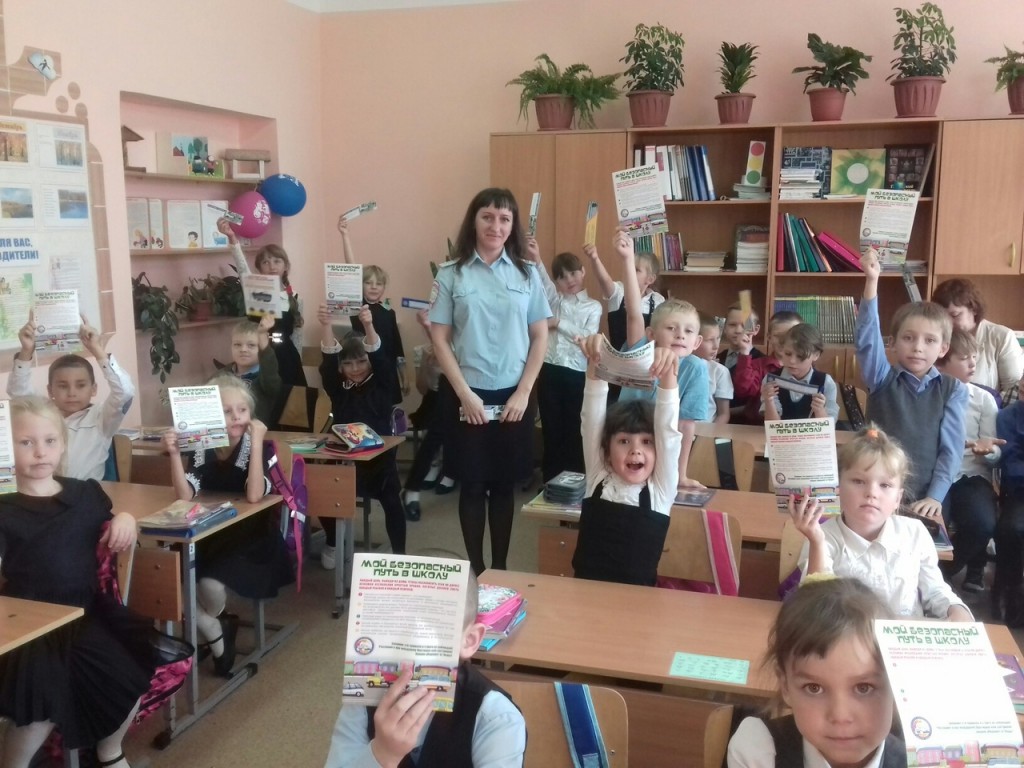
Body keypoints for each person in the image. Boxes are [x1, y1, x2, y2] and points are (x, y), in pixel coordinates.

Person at [0, 397, 156, 768]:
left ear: (62, 444)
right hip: (30, 626)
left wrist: (126, 518)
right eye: (26, 442)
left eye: (50, 441)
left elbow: (112, 520)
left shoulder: (84, 494)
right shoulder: (3, 506)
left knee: (127, 680)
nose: (40, 452)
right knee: (39, 706)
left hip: (83, 614)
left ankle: (109, 752)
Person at [428, 188, 550, 576]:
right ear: (474, 221)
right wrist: (464, 394)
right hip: (467, 394)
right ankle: (476, 569)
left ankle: (499, 568)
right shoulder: (451, 273)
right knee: (472, 483)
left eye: (504, 219)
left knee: (503, 483)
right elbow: (439, 338)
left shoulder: (527, 273)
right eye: (488, 217)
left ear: (512, 226)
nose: (496, 226)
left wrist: (524, 392)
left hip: (515, 394)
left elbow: (540, 336)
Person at [324, 565, 526, 767]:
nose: (405, 650)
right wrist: (382, 755)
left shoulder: (495, 717)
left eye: (429, 632)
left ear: (469, 640)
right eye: (391, 629)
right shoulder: (363, 701)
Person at [163, 375, 293, 677]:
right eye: (225, 411)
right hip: (211, 530)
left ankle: (211, 624)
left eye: (242, 410)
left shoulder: (260, 446)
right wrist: (174, 455)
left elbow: (254, 495)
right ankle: (214, 627)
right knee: (167, 575)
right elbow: (184, 495)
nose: (236, 417)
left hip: (251, 536)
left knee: (208, 584)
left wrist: (257, 443)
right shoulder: (202, 446)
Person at [790, 426, 971, 620]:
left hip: (902, 636)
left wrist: (955, 608)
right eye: (858, 481)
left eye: (885, 485)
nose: (872, 493)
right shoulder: (821, 537)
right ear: (838, 489)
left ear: (898, 499)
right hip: (846, 635)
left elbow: (935, 590)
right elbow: (816, 604)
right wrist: (816, 542)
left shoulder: (915, 533)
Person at [727, 576, 904, 768]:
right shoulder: (758, 751)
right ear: (785, 686)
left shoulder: (921, 761)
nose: (840, 716)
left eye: (864, 688)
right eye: (814, 688)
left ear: (897, 685)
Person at [855, 247, 967, 518]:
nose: (918, 347)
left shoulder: (952, 390)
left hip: (924, 497)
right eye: (908, 338)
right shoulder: (881, 377)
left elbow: (950, 451)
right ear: (892, 343)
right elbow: (867, 340)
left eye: (930, 340)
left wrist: (936, 496)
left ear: (943, 348)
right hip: (874, 493)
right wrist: (872, 281)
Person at [572, 333, 681, 585]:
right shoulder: (599, 475)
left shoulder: (660, 490)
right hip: (584, 594)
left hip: (637, 602)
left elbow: (667, 432)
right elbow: (592, 417)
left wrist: (667, 373)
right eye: (624, 441)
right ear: (607, 450)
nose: (635, 451)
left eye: (646, 442)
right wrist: (596, 360)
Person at [615, 230, 708, 488]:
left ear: (697, 342)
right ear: (651, 334)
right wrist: (627, 259)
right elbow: (634, 313)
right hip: (624, 442)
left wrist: (681, 474)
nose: (680, 335)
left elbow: (685, 427)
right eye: (671, 328)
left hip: (663, 448)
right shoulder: (641, 351)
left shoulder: (696, 368)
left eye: (688, 331)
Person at [319, 304, 406, 562]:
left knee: (392, 500)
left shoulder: (383, 384)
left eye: (361, 361)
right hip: (344, 461)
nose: (355, 368)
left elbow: (379, 357)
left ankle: (400, 555)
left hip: (379, 462)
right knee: (322, 491)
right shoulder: (338, 388)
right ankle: (333, 542)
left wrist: (368, 325)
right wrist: (326, 325)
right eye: (348, 364)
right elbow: (328, 363)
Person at [8, 312, 135, 481]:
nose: (72, 393)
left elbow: (125, 392)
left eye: (81, 385)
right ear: (50, 390)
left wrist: (97, 349)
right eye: (63, 386)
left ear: (93, 389)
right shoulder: (43, 414)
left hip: (84, 492)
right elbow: (18, 392)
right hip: (46, 490)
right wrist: (26, 350)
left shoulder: (102, 418)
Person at [935, 330, 1003, 593]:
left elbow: (995, 451)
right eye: (964, 358)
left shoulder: (984, 399)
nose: (973, 364)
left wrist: (988, 451)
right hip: (936, 473)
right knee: (932, 525)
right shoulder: (930, 393)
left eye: (974, 357)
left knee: (982, 523)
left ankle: (942, 575)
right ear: (942, 361)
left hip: (971, 474)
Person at [527, 243, 601, 481]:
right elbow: (543, 280)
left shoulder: (593, 306)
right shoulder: (553, 300)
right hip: (549, 371)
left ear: (583, 271)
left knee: (574, 429)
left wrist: (559, 323)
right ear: (557, 282)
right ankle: (550, 481)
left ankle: (574, 482)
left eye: (573, 273)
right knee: (551, 429)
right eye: (562, 277)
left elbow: (587, 338)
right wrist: (537, 257)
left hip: (577, 374)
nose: (569, 280)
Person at [218, 218, 307, 387]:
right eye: (266, 262)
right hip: (258, 354)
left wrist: (298, 362)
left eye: (277, 261)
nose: (272, 266)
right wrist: (232, 238)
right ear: (259, 268)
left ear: (285, 267)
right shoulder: (254, 290)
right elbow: (242, 268)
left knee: (292, 399)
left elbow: (297, 335)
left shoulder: (295, 297)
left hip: (287, 358)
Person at [339, 217, 407, 406]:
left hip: (387, 371)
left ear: (384, 287)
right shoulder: (358, 306)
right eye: (368, 282)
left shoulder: (389, 312)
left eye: (379, 283)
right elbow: (351, 268)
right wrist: (345, 235)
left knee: (387, 411)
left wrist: (404, 375)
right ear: (360, 285)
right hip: (364, 368)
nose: (374, 287)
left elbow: (397, 348)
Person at [402, 309, 455, 521]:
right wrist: (428, 328)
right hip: (446, 384)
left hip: (480, 374)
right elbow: (423, 388)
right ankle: (412, 488)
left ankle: (458, 474)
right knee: (437, 432)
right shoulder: (428, 348)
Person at [932, 277, 1023, 393]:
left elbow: (1013, 390)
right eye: (943, 316)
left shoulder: (1002, 336)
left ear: (974, 309)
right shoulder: (936, 336)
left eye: (955, 315)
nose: (948, 322)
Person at [584, 242, 664, 353]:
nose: (629, 271)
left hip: (646, 360)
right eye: (629, 267)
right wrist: (595, 258)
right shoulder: (619, 291)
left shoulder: (658, 300)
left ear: (650, 279)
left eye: (636, 270)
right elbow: (604, 280)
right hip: (618, 358)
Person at [729, 310, 802, 425]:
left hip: (795, 428)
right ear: (769, 337)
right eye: (778, 336)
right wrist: (745, 352)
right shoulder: (759, 365)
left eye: (791, 335)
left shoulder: (805, 368)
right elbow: (743, 390)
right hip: (758, 427)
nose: (784, 341)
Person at [760, 323, 839, 423]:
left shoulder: (826, 382)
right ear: (782, 350)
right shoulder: (771, 380)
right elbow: (772, 426)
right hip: (780, 432)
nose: (792, 361)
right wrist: (769, 400)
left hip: (812, 433)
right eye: (788, 354)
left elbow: (829, 426)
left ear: (816, 355)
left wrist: (819, 410)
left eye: (800, 356)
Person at [996, 379, 1024, 625]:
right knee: (1012, 529)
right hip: (1020, 491)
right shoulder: (1007, 417)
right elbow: (1011, 465)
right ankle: (1010, 591)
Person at [223, 316, 281, 426]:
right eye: (237, 345)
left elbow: (271, 380)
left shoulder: (266, 378)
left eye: (251, 345)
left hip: (255, 431)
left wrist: (262, 338)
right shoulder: (223, 375)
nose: (243, 349)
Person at [695, 312, 732, 424]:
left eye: (718, 339)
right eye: (710, 340)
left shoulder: (720, 371)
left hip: (708, 430)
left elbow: (724, 414)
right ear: (695, 340)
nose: (716, 346)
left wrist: (710, 433)